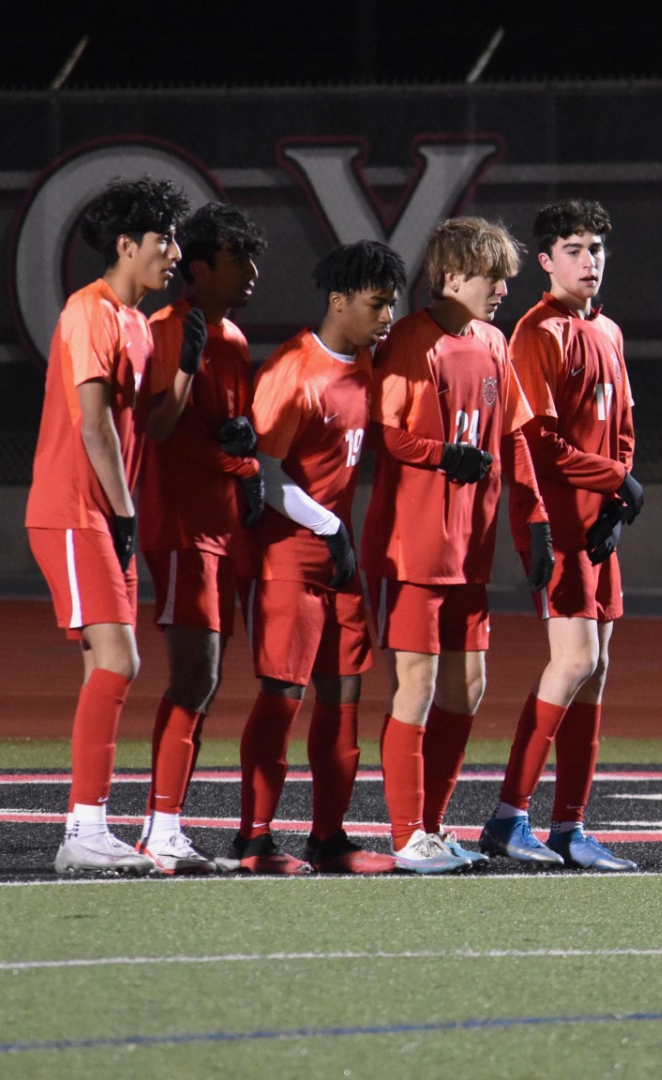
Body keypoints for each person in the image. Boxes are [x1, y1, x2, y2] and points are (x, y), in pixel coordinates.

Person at [365, 218, 552, 874]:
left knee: (467, 687)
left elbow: (517, 439)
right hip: (413, 549)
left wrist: (534, 528)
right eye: (489, 275)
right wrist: (445, 454)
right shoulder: (411, 342)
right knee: (414, 685)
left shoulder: (495, 343)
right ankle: (407, 832)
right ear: (449, 277)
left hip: (470, 551)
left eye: (505, 275)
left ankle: (436, 826)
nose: (502, 287)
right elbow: (388, 434)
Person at [25, 176, 189, 875]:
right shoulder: (87, 312)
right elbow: (93, 425)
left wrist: (190, 365)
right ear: (126, 246)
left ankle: (88, 827)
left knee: (109, 666)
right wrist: (125, 514)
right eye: (163, 240)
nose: (174, 252)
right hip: (74, 511)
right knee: (120, 662)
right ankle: (83, 827)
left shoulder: (138, 325)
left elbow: (148, 427)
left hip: (105, 512)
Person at [231, 240, 408, 875]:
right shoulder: (292, 369)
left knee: (344, 696)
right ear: (339, 301)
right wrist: (331, 527)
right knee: (284, 696)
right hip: (288, 556)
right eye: (376, 303)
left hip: (339, 558)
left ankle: (328, 838)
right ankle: (252, 840)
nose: (387, 316)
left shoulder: (366, 363)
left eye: (392, 303)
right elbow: (266, 473)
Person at [481, 199, 645, 872]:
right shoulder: (535, 332)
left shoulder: (609, 332)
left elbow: (624, 427)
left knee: (596, 670)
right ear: (544, 260)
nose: (589, 261)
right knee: (573, 661)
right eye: (574, 249)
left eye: (597, 249)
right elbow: (539, 446)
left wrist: (616, 494)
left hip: (597, 524)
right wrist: (612, 480)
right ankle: (507, 815)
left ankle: (570, 827)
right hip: (556, 525)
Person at [131, 202, 268, 875]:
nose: (253, 273)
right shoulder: (168, 328)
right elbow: (157, 427)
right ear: (202, 266)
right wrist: (185, 365)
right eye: (240, 261)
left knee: (206, 682)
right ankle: (159, 827)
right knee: (196, 675)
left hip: (223, 525)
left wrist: (247, 454)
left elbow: (229, 428)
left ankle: (166, 824)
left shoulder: (234, 338)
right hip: (183, 526)